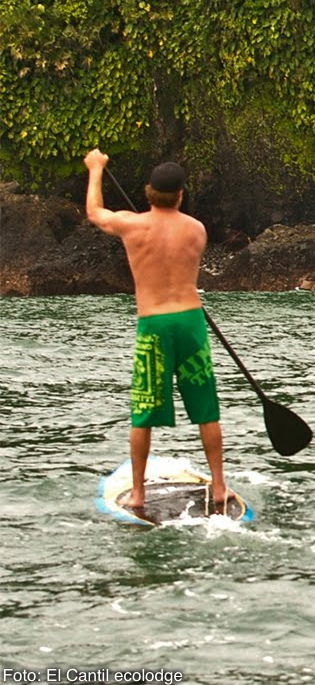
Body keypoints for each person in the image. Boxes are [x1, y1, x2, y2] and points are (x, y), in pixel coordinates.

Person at [83, 149, 230, 509]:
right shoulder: (197, 229)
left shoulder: (132, 225)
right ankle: (219, 486)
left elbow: (94, 213)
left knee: (143, 411)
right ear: (181, 194)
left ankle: (137, 493)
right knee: (206, 408)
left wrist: (96, 168)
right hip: (191, 322)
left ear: (149, 191)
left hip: (153, 325)